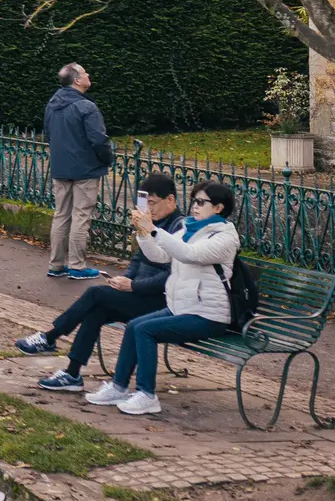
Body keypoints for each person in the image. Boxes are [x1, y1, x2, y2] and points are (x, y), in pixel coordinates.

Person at [86, 181, 241, 415]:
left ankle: (146, 394)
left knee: (145, 330)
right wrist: (143, 232)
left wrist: (155, 230)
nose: (195, 207)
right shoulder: (188, 230)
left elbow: (189, 255)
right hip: (181, 307)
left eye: (201, 202)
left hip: (208, 314)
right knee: (135, 326)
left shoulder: (224, 238)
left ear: (218, 208)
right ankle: (118, 387)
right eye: (193, 201)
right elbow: (159, 256)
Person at [17, 175, 182, 391]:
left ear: (170, 200)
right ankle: (72, 373)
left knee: (96, 295)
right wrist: (127, 279)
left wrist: (133, 286)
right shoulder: (152, 224)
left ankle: (50, 337)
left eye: (153, 203)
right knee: (97, 310)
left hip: (158, 302)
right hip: (138, 295)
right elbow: (138, 259)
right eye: (145, 203)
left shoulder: (180, 228)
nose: (149, 209)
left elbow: (171, 275)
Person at [45, 62, 113, 280]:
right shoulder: (87, 107)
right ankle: (77, 266)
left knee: (61, 215)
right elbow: (99, 140)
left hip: (60, 167)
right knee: (81, 216)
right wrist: (106, 158)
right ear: (77, 80)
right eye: (85, 73)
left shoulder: (52, 105)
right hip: (85, 169)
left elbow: (48, 135)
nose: (88, 74)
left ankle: (55, 265)